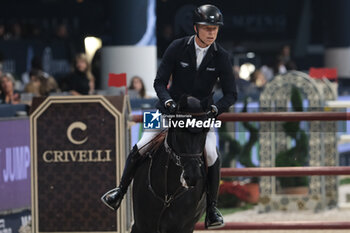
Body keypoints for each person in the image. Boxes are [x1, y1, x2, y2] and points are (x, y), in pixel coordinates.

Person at [102, 4, 237, 229]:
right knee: (142, 144)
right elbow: (158, 82)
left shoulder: (221, 56)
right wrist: (166, 100)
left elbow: (232, 94)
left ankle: (212, 208)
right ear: (196, 28)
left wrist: (216, 110)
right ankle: (120, 191)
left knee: (212, 154)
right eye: (207, 28)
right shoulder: (177, 47)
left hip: (202, 116)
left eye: (215, 28)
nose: (212, 32)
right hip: (167, 110)